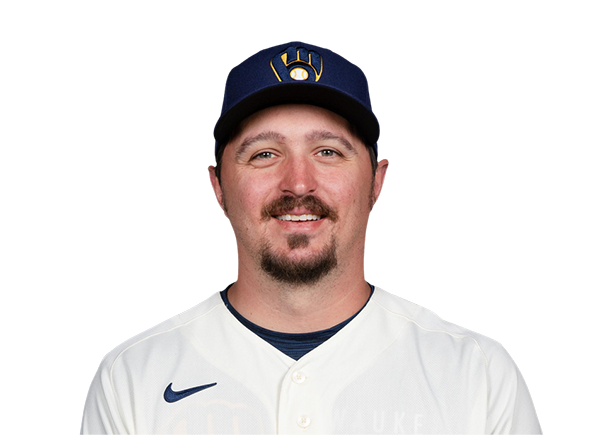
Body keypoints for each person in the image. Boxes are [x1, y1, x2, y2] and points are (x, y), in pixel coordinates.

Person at [81, 42, 542, 435]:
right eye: (264, 153)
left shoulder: (475, 373)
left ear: (377, 181)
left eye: (328, 152)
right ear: (218, 185)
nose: (298, 184)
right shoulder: (133, 377)